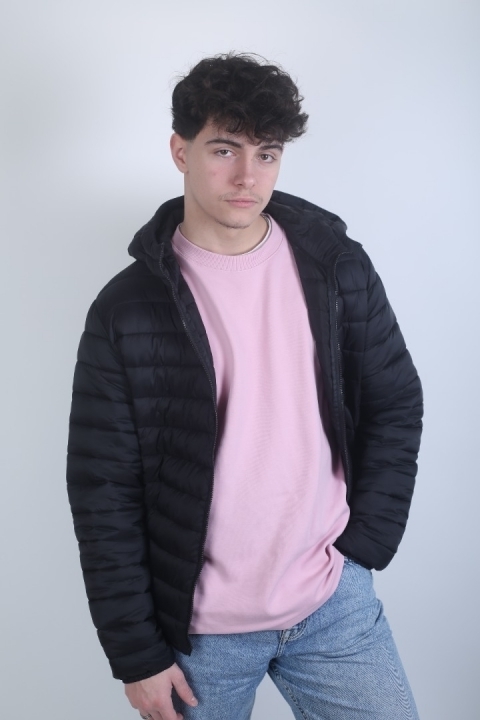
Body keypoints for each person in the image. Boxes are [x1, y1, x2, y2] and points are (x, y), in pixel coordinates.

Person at [66, 53, 423, 720]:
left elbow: (394, 402)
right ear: (181, 151)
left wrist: (361, 549)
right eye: (225, 149)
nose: (246, 177)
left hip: (331, 604)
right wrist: (136, 654)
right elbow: (103, 490)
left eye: (267, 154)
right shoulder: (127, 309)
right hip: (199, 633)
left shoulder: (337, 268)